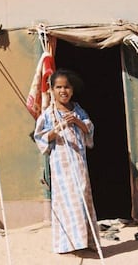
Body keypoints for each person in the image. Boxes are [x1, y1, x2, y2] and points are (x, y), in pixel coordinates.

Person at [34, 68, 100, 254]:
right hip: (61, 165)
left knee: (82, 197)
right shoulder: (48, 114)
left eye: (67, 87)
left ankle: (86, 241)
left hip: (79, 162)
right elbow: (40, 137)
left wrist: (77, 122)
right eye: (59, 87)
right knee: (66, 202)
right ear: (52, 90)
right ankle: (68, 244)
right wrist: (57, 129)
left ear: (72, 89)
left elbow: (89, 129)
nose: (63, 91)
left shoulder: (78, 109)